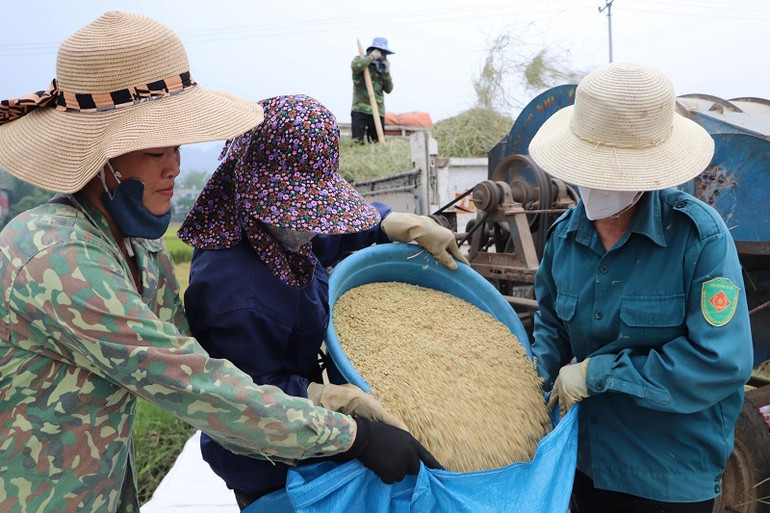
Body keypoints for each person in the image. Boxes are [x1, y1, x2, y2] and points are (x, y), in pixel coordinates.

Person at [0, 13, 441, 513]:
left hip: (100, 484)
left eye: (177, 148)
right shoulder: (60, 261)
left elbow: (198, 345)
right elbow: (191, 381)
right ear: (98, 157)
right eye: (153, 152)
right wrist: (351, 434)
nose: (175, 166)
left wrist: (384, 223)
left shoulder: (136, 244)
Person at [178, 93, 469, 509]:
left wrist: (389, 224)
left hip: (307, 426)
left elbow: (329, 234)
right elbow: (244, 396)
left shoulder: (278, 227)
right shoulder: (234, 291)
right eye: (302, 210)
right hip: (267, 456)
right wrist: (333, 401)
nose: (311, 225)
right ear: (258, 193)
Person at [527, 61, 754, 512]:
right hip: (585, 465)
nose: (595, 184)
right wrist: (531, 382)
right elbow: (551, 323)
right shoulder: (565, 238)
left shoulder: (698, 238)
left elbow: (720, 362)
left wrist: (601, 373)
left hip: (669, 476)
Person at [351, 36, 394, 143]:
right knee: (357, 142)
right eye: (380, 51)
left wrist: (387, 72)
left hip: (378, 111)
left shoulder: (382, 69)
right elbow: (355, 67)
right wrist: (371, 57)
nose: (382, 55)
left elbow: (389, 89)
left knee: (376, 143)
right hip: (360, 109)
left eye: (384, 52)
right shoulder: (361, 60)